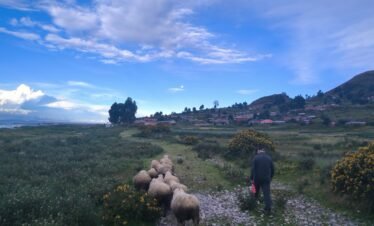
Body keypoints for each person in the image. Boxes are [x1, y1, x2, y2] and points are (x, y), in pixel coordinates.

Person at [250, 149, 274, 214]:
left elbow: (253, 169)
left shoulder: (255, 158)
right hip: (266, 179)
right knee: (266, 194)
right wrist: (270, 177)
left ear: (258, 151)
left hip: (256, 178)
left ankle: (253, 205)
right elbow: (272, 169)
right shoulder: (269, 158)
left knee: (255, 192)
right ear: (264, 151)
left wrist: (251, 178)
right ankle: (268, 209)